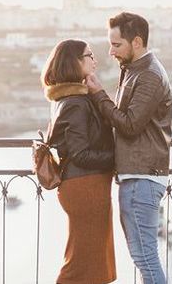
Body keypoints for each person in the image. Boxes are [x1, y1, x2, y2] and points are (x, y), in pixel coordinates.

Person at [86, 12, 172, 284]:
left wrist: (99, 94)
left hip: (142, 178)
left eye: (116, 45)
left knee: (145, 259)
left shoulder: (148, 75)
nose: (110, 52)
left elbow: (130, 125)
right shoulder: (136, 70)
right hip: (139, 176)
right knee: (144, 258)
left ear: (137, 42)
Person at [41, 39, 116, 284]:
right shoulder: (75, 103)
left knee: (92, 264)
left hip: (87, 185)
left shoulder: (71, 98)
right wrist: (119, 159)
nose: (94, 59)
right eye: (89, 55)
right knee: (81, 266)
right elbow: (80, 154)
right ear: (74, 62)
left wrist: (96, 94)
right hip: (85, 188)